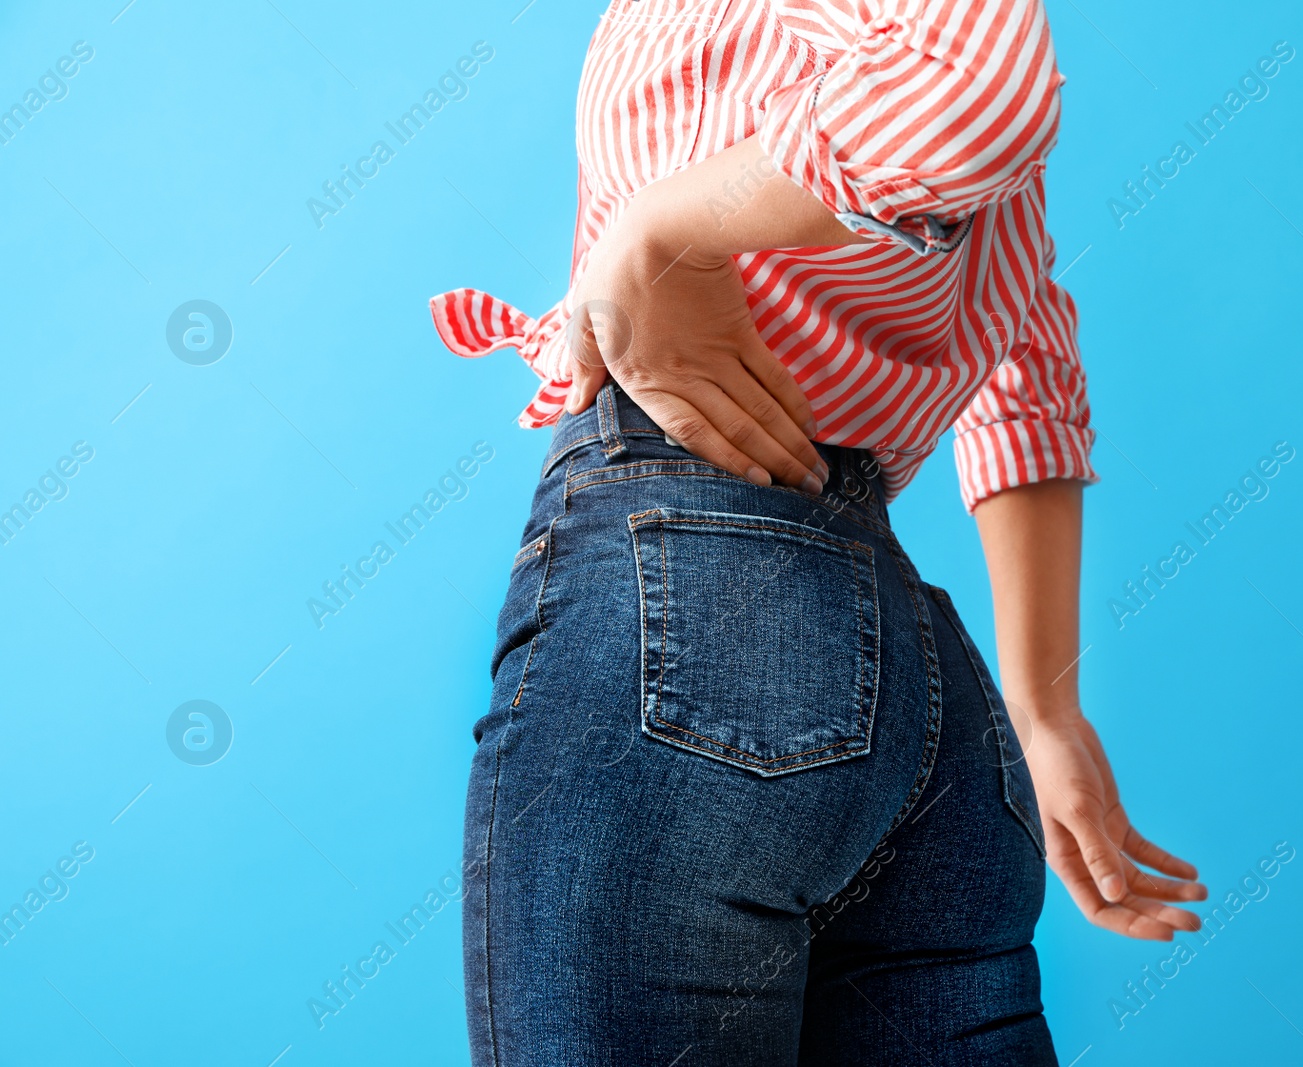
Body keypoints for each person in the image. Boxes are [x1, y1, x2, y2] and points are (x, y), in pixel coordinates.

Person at [429, 1, 1205, 1062]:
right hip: (919, 692)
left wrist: (665, 231)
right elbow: (1020, 341)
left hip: (688, 592)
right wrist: (1042, 705)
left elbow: (982, 96)